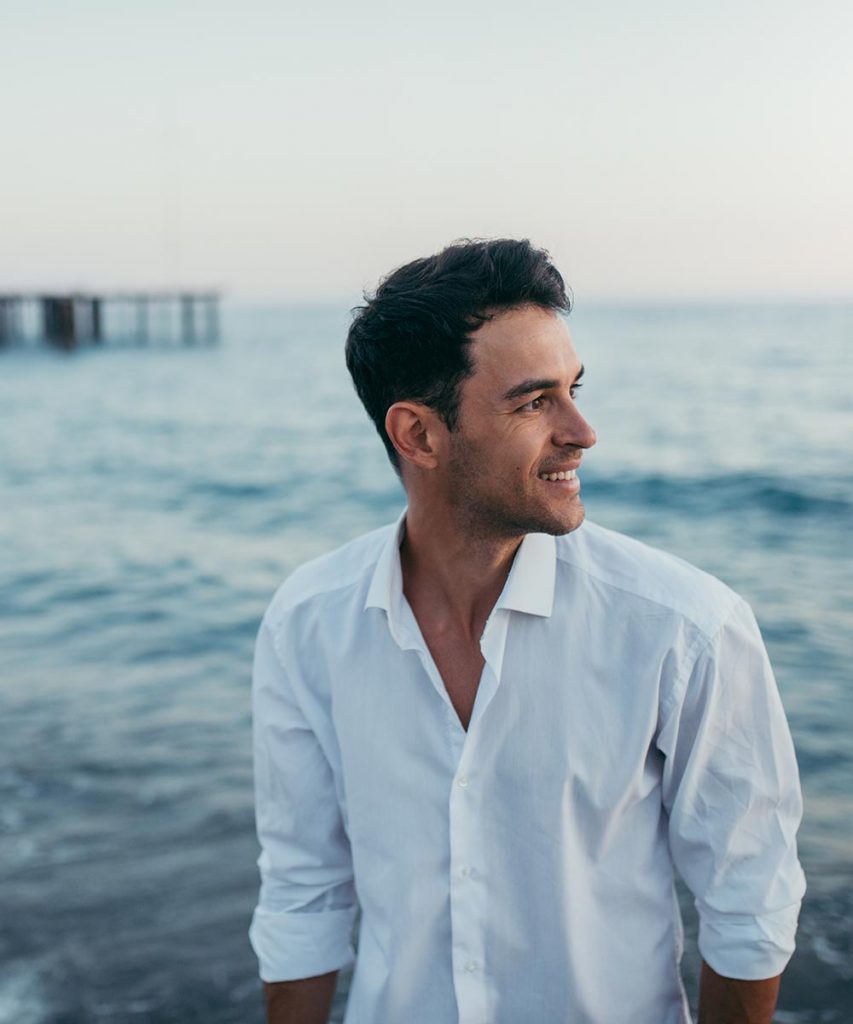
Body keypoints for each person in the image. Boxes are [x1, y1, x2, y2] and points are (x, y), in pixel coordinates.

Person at [249, 238, 805, 1024]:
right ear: (418, 435)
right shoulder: (307, 624)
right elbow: (302, 894)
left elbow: (749, 903)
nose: (581, 430)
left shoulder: (684, 630)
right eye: (533, 400)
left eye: (574, 388)